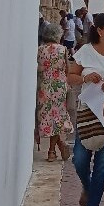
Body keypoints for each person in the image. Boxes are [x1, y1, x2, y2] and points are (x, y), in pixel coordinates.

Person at [67, 12, 104, 206]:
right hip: (87, 111)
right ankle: (88, 189)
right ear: (99, 30)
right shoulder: (85, 52)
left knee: (103, 163)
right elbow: (70, 77)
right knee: (79, 158)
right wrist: (86, 78)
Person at [36, 21, 72, 162]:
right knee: (57, 118)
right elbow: (68, 69)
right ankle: (52, 150)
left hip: (44, 86)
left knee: (45, 116)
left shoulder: (40, 49)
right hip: (59, 87)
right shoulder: (63, 50)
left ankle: (55, 149)